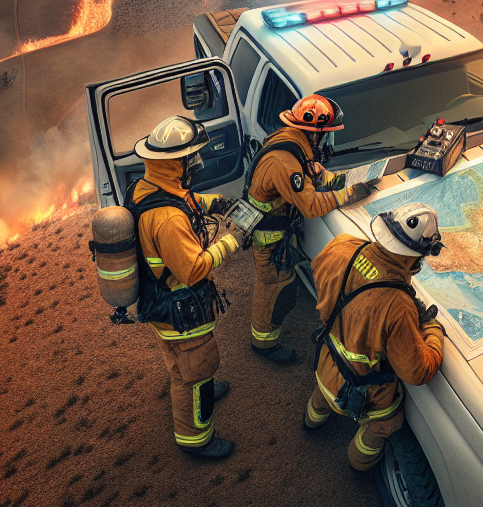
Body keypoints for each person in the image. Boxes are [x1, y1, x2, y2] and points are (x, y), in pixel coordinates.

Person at [302, 203, 446, 473]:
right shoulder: (397, 307)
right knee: (387, 424)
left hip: (326, 363)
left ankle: (311, 420)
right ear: (413, 257)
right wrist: (431, 328)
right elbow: (418, 371)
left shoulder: (342, 245)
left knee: (322, 395)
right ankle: (359, 464)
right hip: (368, 391)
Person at [129, 116, 242, 459]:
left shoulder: (145, 186)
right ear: (174, 164)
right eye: (190, 158)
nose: (197, 163)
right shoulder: (169, 221)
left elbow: (182, 199)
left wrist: (214, 203)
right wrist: (233, 241)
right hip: (180, 308)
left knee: (181, 363)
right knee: (195, 369)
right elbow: (193, 269)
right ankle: (196, 439)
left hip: (157, 301)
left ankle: (198, 383)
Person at [245, 94, 379, 362]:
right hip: (270, 236)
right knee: (275, 289)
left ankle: (264, 337)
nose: (325, 141)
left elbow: (308, 171)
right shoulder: (285, 162)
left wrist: (333, 179)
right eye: (325, 135)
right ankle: (263, 345)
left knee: (279, 286)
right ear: (313, 133)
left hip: (277, 230)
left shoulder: (292, 141)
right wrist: (347, 193)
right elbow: (310, 206)